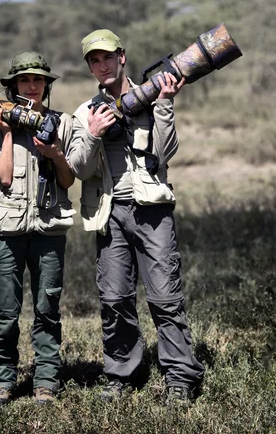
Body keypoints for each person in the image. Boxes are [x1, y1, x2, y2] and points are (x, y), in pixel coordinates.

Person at [68, 30, 204, 404]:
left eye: (107, 57)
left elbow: (165, 153)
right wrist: (94, 134)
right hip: (110, 214)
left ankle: (180, 377)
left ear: (122, 56)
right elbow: (79, 168)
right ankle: (122, 376)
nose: (102, 65)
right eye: (94, 60)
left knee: (165, 297)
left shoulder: (151, 93)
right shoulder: (84, 113)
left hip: (152, 211)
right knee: (114, 299)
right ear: (90, 67)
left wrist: (164, 104)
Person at [0, 51, 75, 406]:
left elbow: (68, 179)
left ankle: (46, 382)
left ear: (46, 85)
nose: (32, 86)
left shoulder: (62, 124)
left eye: (38, 80)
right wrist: (6, 135)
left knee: (47, 309)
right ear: (13, 86)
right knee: (6, 312)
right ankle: (2, 382)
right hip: (7, 232)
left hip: (49, 231)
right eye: (24, 80)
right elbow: (3, 177)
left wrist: (56, 155)